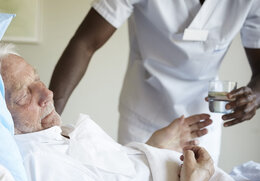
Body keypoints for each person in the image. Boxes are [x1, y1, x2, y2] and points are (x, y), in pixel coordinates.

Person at [0, 44, 256, 181]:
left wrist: (155, 147)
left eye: (37, 79)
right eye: (23, 94)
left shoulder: (49, 138)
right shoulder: (43, 165)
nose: (48, 93)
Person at [49, 0, 260, 165]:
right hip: (145, 115)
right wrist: (49, 116)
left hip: (203, 119)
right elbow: (84, 43)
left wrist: (255, 96)